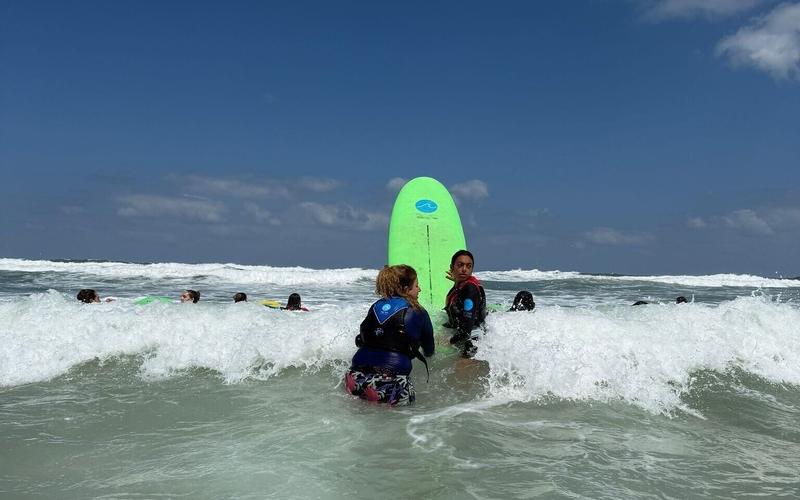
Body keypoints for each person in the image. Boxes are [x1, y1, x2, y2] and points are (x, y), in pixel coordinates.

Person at [344, 265, 435, 406]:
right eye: (416, 286)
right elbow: (429, 350)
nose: (419, 289)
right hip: (391, 381)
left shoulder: (375, 306)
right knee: (400, 425)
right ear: (405, 289)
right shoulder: (418, 311)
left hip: (355, 375)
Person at [444, 250, 487, 358]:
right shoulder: (460, 286)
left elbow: (466, 330)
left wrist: (449, 341)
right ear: (452, 267)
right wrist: (456, 281)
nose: (464, 269)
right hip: (463, 333)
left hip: (473, 340)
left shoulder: (470, 289)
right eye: (460, 265)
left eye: (469, 266)